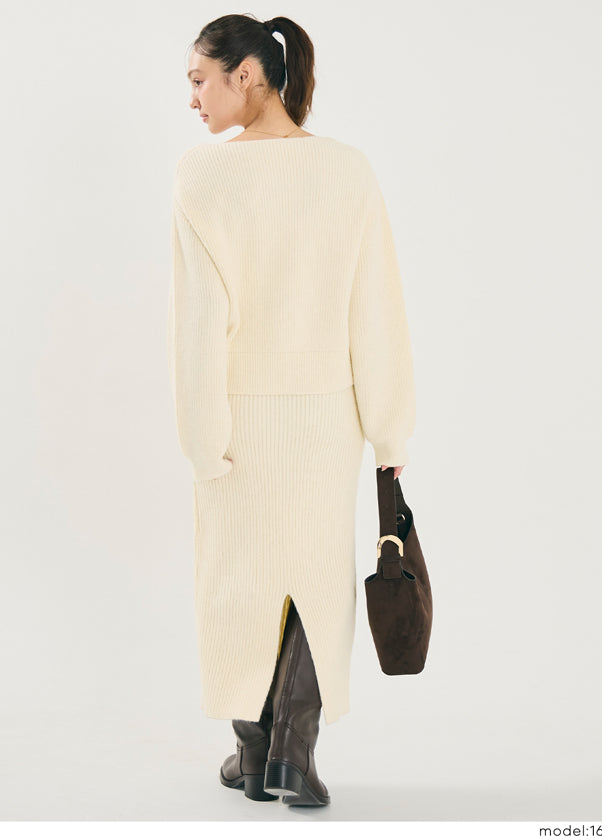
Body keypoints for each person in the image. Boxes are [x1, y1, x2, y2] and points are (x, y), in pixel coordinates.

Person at [167, 13, 416, 808]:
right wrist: (389, 426)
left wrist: (202, 438)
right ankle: (290, 755)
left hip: (237, 416)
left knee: (236, 582)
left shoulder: (202, 177)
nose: (193, 100)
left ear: (245, 75)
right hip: (324, 419)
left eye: (199, 81)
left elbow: (200, 326)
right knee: (314, 576)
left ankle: (252, 750)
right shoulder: (348, 170)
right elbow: (375, 309)